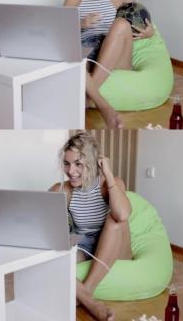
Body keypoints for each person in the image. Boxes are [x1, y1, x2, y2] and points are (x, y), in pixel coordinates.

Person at [64, 0, 154, 129]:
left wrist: (150, 32)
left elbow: (139, 17)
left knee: (121, 24)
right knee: (69, 52)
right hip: (87, 52)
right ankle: (102, 105)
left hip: (114, 52)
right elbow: (60, 33)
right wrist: (81, 23)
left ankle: (87, 98)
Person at [50, 132, 132, 321]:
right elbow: (43, 221)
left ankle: (89, 297)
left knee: (114, 221)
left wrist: (108, 174)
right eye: (67, 163)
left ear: (94, 162)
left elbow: (123, 215)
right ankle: (89, 300)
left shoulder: (110, 184)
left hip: (116, 243)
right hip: (85, 245)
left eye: (78, 163)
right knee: (57, 260)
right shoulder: (64, 190)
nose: (71, 171)